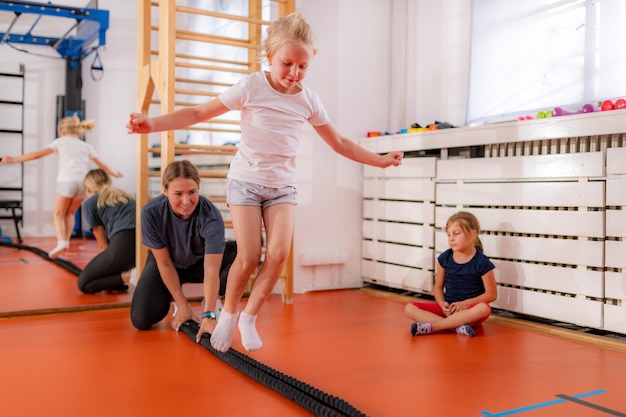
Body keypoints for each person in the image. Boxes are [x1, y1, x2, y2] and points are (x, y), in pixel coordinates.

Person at [126, 12, 404, 352]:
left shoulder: (308, 100)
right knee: (248, 256)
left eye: (303, 67)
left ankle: (249, 316)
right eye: (287, 63)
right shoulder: (251, 87)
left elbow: (339, 142)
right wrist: (151, 124)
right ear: (269, 56)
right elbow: (199, 113)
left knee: (277, 254)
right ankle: (228, 316)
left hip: (282, 186)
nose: (294, 73)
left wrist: (379, 160)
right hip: (245, 182)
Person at [130, 160, 237, 340]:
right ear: (165, 191)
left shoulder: (210, 215)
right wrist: (182, 304)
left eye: (192, 192)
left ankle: (212, 299)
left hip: (199, 265)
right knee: (141, 319)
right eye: (178, 194)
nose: (186, 201)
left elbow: (211, 270)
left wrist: (208, 315)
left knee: (242, 255)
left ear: (198, 188)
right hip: (168, 264)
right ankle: (173, 298)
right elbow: (163, 264)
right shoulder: (150, 213)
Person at [1, 114, 122, 259]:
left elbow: (36, 155)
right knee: (70, 213)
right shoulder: (86, 146)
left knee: (58, 214)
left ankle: (61, 242)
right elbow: (100, 163)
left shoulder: (60, 142)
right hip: (83, 184)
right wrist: (114, 173)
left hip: (67, 181)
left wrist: (13, 159)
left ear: (62, 131)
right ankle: (65, 242)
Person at [405, 211, 497, 337]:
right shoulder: (444, 258)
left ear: (472, 234)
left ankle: (436, 326)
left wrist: (466, 303)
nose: (451, 238)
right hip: (449, 310)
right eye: (448, 235)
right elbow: (438, 287)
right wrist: (442, 303)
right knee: (409, 308)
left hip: (469, 312)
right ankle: (456, 327)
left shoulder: (482, 262)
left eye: (456, 234)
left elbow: (491, 294)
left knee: (483, 308)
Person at [77, 169, 136, 294]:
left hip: (124, 241)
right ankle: (125, 276)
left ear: (88, 189)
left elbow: (103, 245)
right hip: (143, 244)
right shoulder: (124, 194)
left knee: (84, 284)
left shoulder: (90, 203)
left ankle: (130, 276)